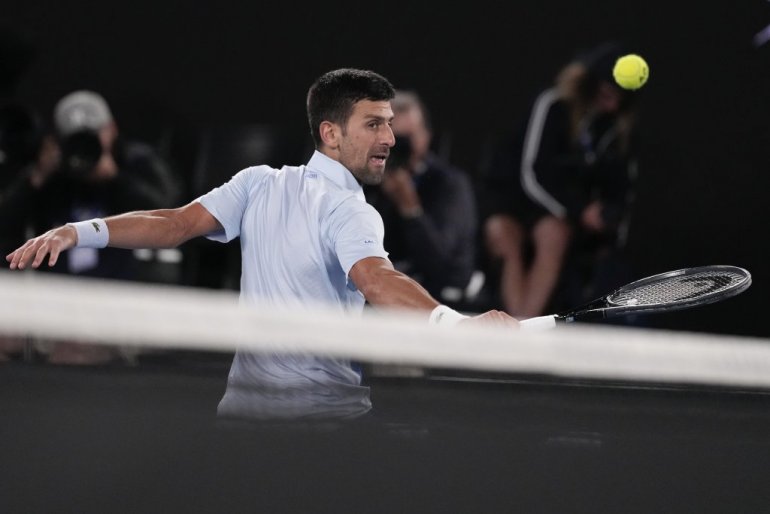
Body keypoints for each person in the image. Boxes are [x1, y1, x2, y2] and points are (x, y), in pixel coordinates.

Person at [6, 68, 517, 419]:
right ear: (330, 133)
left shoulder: (257, 182)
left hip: (245, 423)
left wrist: (78, 231)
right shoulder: (349, 209)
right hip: (322, 431)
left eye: (388, 124)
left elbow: (174, 224)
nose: (389, 138)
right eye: (373, 124)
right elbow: (376, 280)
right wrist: (457, 324)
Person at [2, 90, 182, 364]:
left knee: (73, 350)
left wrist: (115, 178)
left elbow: (171, 216)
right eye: (74, 138)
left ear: (112, 130)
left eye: (93, 135)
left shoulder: (133, 161)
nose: (84, 146)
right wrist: (36, 177)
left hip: (113, 305)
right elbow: (5, 225)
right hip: (51, 302)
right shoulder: (50, 174)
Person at [479, 42, 639, 319]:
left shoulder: (616, 131)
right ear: (590, 86)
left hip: (559, 218)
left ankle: (520, 325)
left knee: (555, 234)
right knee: (502, 235)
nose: (611, 105)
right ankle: (517, 327)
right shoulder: (552, 105)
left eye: (618, 100)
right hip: (513, 201)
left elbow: (621, 190)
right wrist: (579, 211)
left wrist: (603, 218)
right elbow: (531, 173)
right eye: (606, 95)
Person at [363, 90, 477, 309]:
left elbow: (441, 264)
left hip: (435, 301)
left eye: (408, 138)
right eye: (392, 138)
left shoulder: (448, 185)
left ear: (425, 136)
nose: (399, 146)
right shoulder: (367, 182)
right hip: (377, 299)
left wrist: (411, 208)